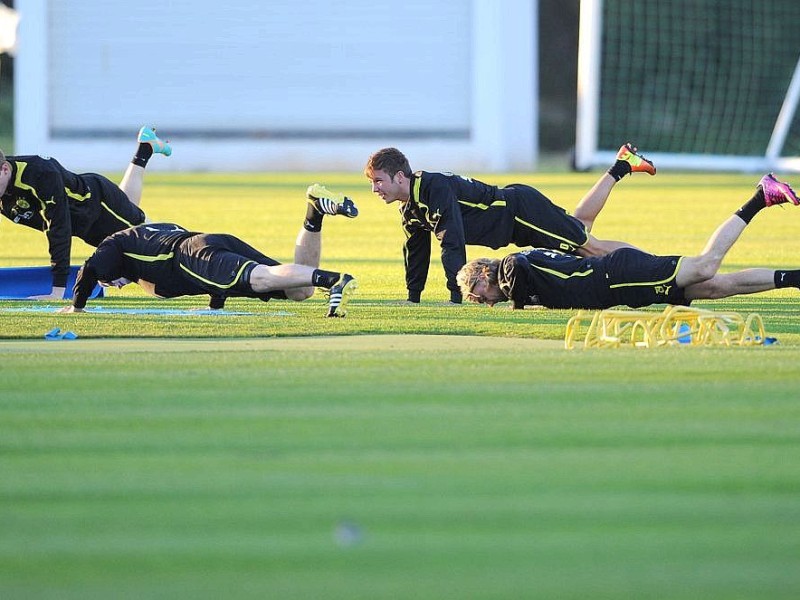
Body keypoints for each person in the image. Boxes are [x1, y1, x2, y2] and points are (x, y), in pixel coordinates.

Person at [456, 173, 800, 310]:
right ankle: (793, 278)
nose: (485, 303)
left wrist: (519, 306)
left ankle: (760, 196)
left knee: (706, 265)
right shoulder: (521, 274)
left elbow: (514, 270)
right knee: (714, 287)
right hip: (623, 284)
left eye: (478, 297)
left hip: (618, 275)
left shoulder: (512, 267)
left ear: (483, 277)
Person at [364, 143, 655, 304]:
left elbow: (451, 240)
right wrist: (413, 298)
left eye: (378, 181)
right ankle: (622, 164)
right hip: (515, 219)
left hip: (521, 212)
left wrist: (457, 297)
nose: (375, 189)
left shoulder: (433, 188)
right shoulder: (410, 208)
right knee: (582, 227)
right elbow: (415, 253)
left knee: (589, 249)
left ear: (400, 177)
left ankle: (660, 267)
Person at [57, 184, 359, 317]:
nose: (116, 286)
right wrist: (215, 307)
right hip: (208, 242)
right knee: (299, 292)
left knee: (262, 278)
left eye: (110, 283)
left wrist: (78, 305)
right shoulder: (144, 247)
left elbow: (90, 267)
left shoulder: (116, 244)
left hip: (191, 252)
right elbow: (207, 275)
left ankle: (334, 280)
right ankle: (314, 211)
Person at [0, 126, 171, 300]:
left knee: (158, 255)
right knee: (128, 206)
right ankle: (145, 148)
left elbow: (59, 229)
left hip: (99, 204)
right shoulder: (4, 182)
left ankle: (196, 249)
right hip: (84, 224)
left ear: (5, 169)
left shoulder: (40, 174)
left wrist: (58, 290)